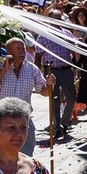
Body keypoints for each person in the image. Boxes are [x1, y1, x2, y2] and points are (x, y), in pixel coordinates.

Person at [0, 37, 55, 155]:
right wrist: (4, 69)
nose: (23, 52)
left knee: (26, 157)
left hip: (23, 121)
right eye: (18, 49)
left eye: (24, 49)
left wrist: (49, 85)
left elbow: (44, 92)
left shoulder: (31, 68)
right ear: (8, 51)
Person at [35, 10, 78, 139]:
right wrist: (38, 73)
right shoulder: (43, 36)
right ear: (49, 19)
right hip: (51, 70)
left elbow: (74, 51)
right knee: (55, 100)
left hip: (66, 69)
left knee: (71, 98)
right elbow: (38, 56)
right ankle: (57, 126)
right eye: (54, 18)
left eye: (59, 18)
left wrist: (76, 68)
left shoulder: (67, 33)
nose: (56, 20)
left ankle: (65, 122)